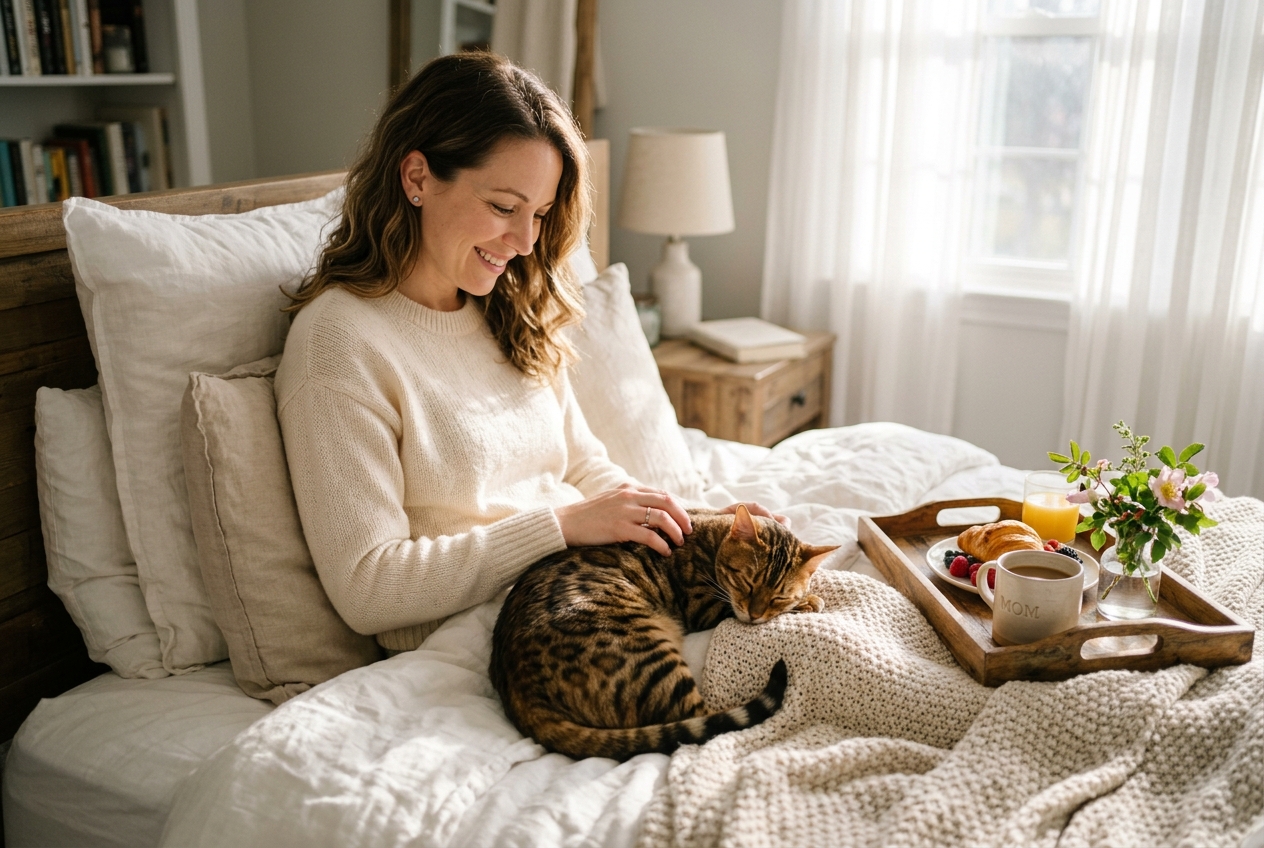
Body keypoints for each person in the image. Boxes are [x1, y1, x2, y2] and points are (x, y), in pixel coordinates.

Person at [276, 52, 778, 653]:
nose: (525, 242)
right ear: (416, 178)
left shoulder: (505, 308)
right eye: (503, 207)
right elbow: (369, 588)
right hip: (507, 643)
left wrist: (699, 525)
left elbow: (585, 470)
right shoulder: (340, 342)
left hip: (594, 592)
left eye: (539, 214)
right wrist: (559, 528)